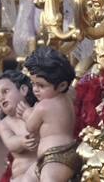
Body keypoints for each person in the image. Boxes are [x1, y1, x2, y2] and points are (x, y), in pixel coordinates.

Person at [21, 46, 79, 181]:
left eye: (41, 86)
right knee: (27, 179)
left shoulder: (44, 106)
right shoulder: (68, 97)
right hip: (60, 154)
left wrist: (26, 113)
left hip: (56, 157)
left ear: (62, 86)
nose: (35, 90)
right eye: (33, 84)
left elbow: (30, 127)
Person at [0, 69, 38, 182]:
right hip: (21, 174)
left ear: (23, 90)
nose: (1, 98)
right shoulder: (5, 123)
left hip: (42, 168)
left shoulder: (36, 109)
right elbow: (10, 142)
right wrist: (21, 141)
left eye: (5, 91)